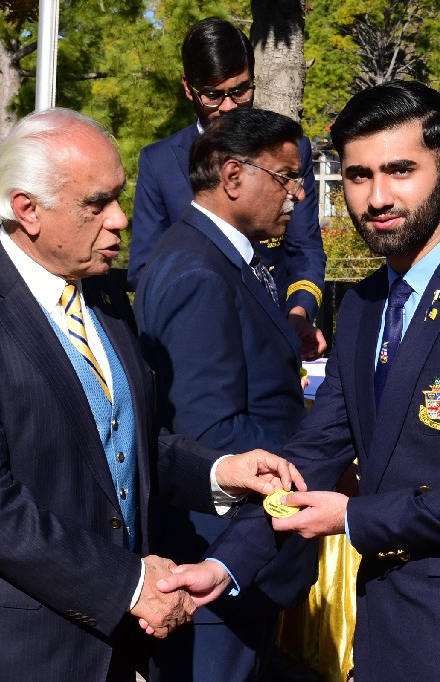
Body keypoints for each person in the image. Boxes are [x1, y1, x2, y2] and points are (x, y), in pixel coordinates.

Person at [160, 80, 440, 681]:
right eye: (358, 176)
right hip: (383, 628)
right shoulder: (362, 306)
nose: (377, 197)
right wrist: (223, 565)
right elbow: (312, 455)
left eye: (400, 171)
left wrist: (354, 518)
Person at [0, 109, 305, 682]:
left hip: (103, 645)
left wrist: (219, 472)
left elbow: (120, 442)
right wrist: (129, 585)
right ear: (27, 209)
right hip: (2, 646)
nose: (120, 219)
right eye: (96, 203)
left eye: (118, 196)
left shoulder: (104, 297)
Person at [136, 108, 318, 682]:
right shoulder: (198, 272)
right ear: (234, 176)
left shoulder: (226, 257)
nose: (298, 194)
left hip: (241, 558)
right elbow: (209, 434)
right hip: (215, 558)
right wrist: (311, 459)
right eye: (286, 177)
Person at [129, 17, 327, 361]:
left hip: (275, 334)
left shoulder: (292, 150)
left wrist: (298, 313)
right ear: (188, 88)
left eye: (240, 91)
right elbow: (145, 269)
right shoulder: (159, 162)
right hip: (195, 344)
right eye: (212, 95)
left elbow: (305, 250)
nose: (228, 106)